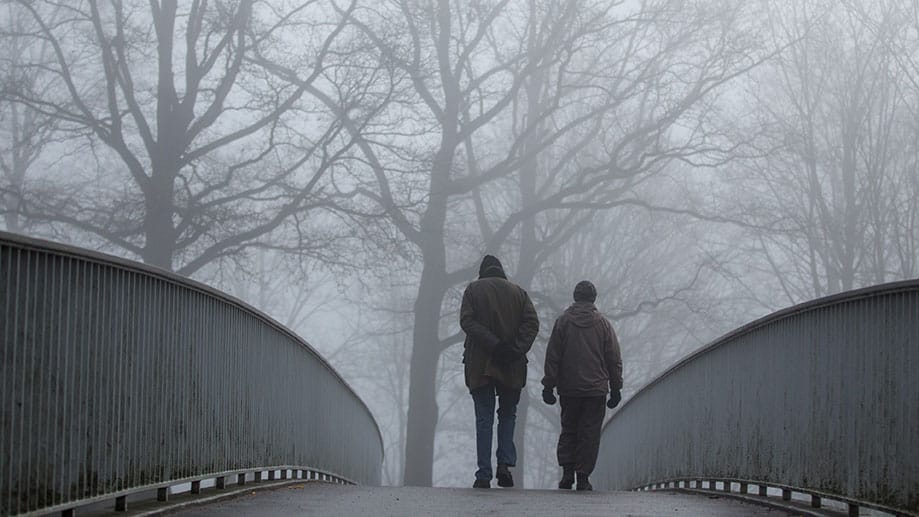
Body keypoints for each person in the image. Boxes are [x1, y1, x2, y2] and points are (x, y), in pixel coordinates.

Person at [460, 255, 540, 489]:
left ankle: (483, 473)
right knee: (508, 414)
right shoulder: (519, 294)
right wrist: (514, 349)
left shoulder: (473, 290)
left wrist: (492, 344)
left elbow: (467, 321)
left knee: (484, 418)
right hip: (512, 364)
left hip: (481, 364)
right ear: (502, 271)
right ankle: (504, 465)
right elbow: (532, 324)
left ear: (482, 271)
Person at [541, 280, 623, 491]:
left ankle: (567, 473)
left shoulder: (563, 322)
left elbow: (553, 356)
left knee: (569, 429)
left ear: (575, 297)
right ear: (593, 298)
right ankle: (583, 476)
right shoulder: (603, 324)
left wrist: (548, 385)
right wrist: (616, 388)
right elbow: (613, 358)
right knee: (589, 433)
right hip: (596, 389)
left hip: (569, 388)